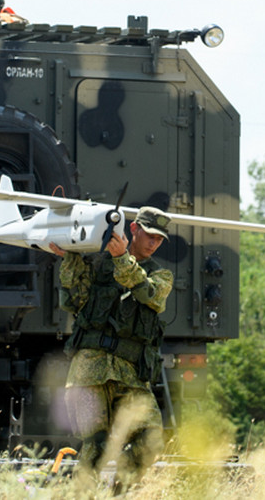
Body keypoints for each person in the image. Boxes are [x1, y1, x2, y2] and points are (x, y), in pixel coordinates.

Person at [48, 206, 173, 489]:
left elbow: (150, 295)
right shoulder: (97, 264)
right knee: (96, 447)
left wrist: (122, 259)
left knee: (151, 440)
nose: (154, 243)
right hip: (90, 370)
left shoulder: (162, 275)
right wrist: (71, 256)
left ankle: (119, 492)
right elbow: (73, 301)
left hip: (130, 374)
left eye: (160, 239)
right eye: (150, 235)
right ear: (133, 230)